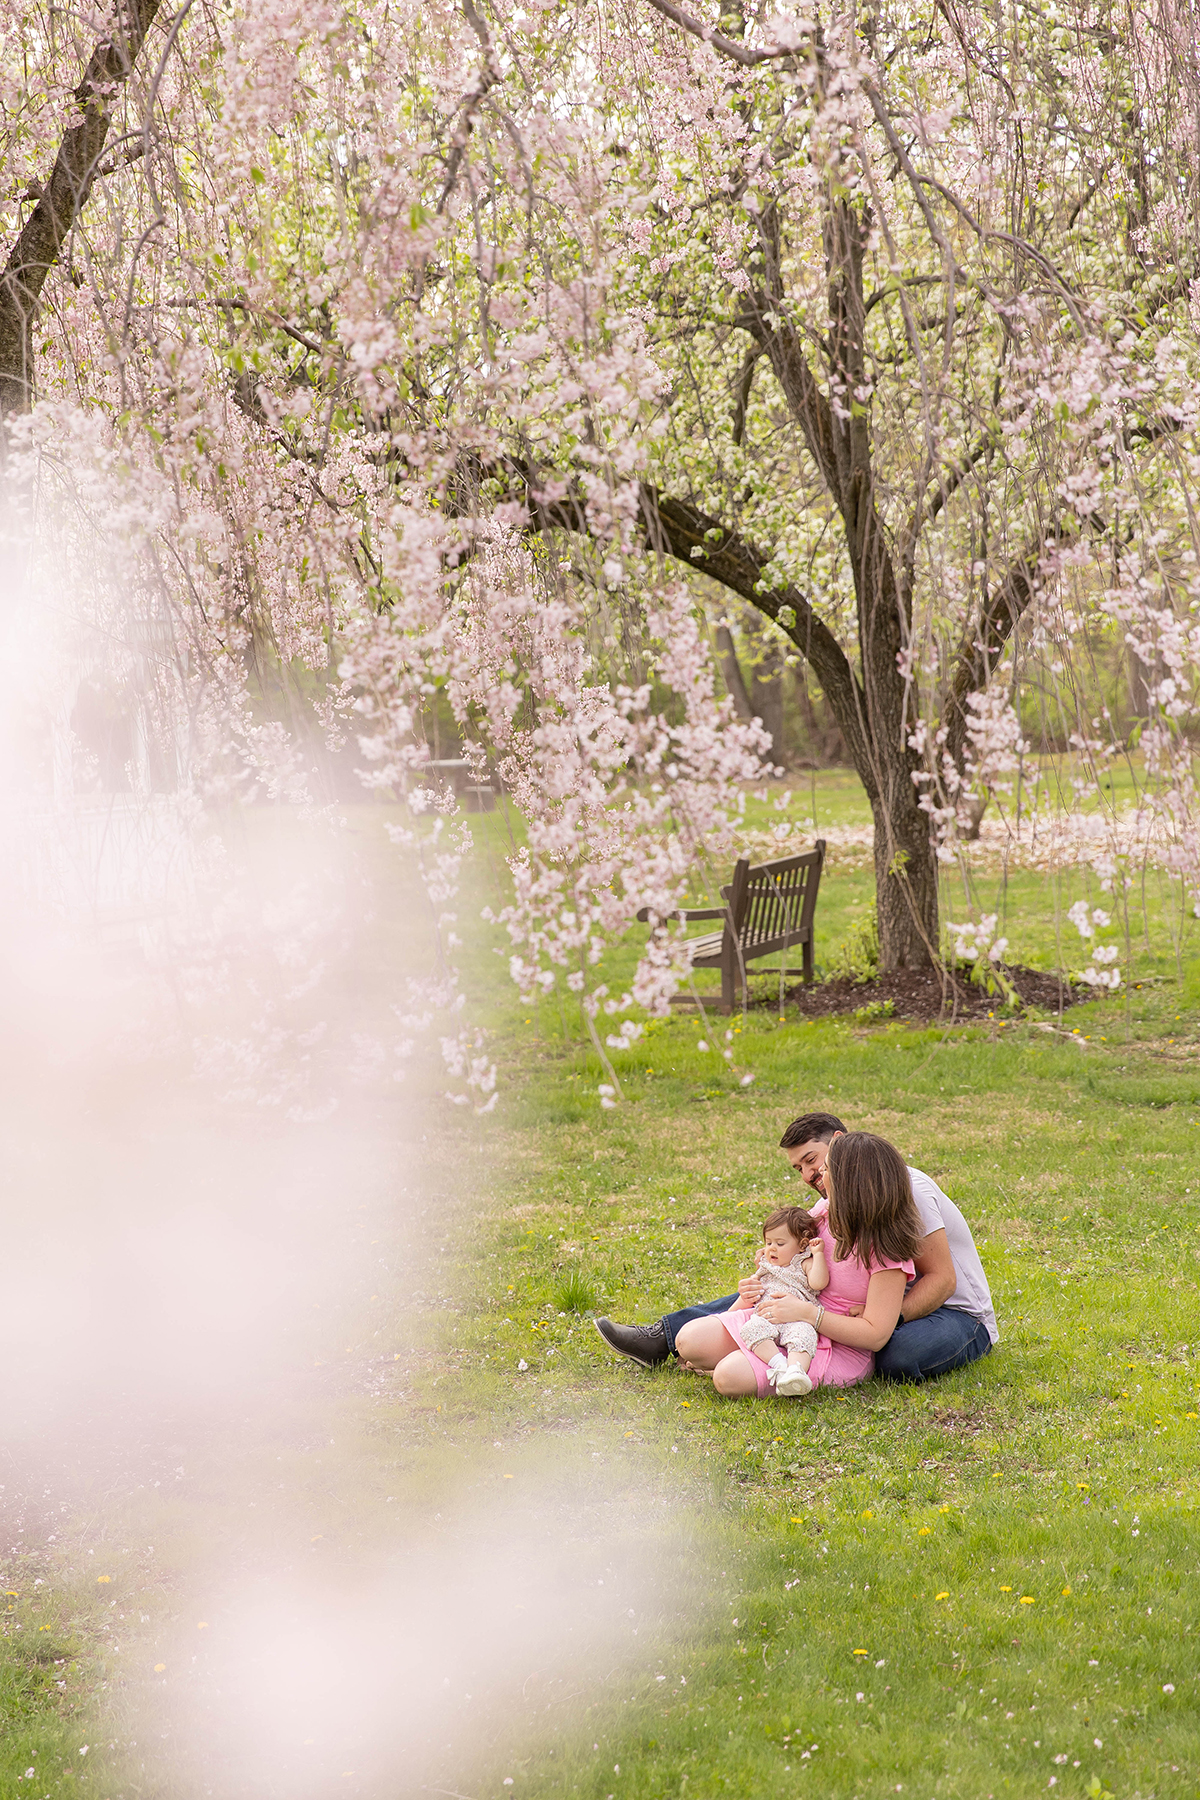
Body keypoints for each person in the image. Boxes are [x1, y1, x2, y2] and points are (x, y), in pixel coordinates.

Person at [594, 1109, 998, 1382]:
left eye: (814, 1162)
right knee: (780, 1287)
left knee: (897, 1358)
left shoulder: (906, 1189)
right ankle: (664, 1337)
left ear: (840, 1144)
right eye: (801, 1168)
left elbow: (942, 1280)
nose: (809, 1175)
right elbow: (804, 1265)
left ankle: (805, 1357)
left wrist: (878, 1318)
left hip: (952, 1314)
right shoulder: (835, 1196)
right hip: (873, 1304)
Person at [678, 1132, 919, 1397]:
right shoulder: (824, 1216)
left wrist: (808, 1314)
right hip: (782, 1312)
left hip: (837, 1344)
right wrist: (769, 1261)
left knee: (727, 1377)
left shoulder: (887, 1252)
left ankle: (763, 1363)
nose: (819, 1177)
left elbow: (875, 1335)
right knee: (688, 1340)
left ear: (850, 1183)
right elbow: (787, 1243)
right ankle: (757, 1355)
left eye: (826, 1169)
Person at [735, 1204, 830, 1397]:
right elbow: (753, 1287)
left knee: (803, 1337)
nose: (771, 1249)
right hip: (766, 1317)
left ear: (802, 1245)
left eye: (780, 1244)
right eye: (768, 1243)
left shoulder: (804, 1263)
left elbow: (818, 1283)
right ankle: (779, 1366)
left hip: (796, 1319)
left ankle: (796, 1371)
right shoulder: (766, 1265)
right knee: (750, 1329)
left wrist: (818, 1254)